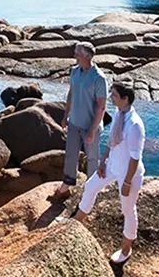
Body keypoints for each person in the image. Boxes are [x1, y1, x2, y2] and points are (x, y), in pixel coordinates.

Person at [71, 81, 146, 265]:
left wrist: (127, 183)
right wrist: (103, 162)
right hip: (113, 166)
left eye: (114, 95)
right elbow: (112, 142)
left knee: (128, 210)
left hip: (129, 173)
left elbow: (135, 158)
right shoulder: (118, 113)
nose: (110, 98)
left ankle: (126, 248)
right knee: (90, 186)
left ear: (125, 98)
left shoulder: (135, 125)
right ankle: (76, 222)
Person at [51, 41, 107, 200]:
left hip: (91, 126)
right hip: (74, 123)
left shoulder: (99, 78)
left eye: (77, 53)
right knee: (70, 155)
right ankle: (66, 185)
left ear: (87, 56)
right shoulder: (74, 71)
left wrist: (92, 130)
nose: (74, 55)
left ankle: (92, 190)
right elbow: (71, 93)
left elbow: (101, 106)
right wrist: (65, 116)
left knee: (92, 158)